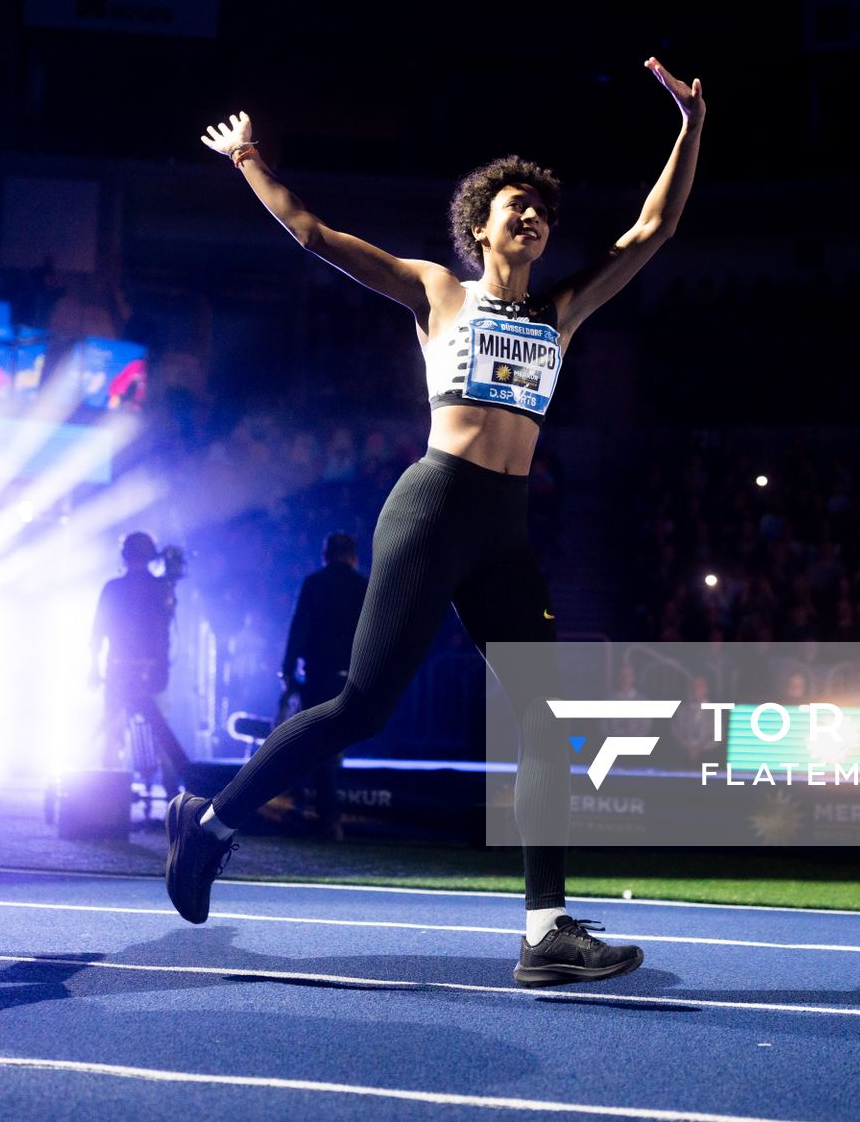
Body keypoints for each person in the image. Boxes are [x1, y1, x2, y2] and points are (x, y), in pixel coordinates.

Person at [172, 55, 705, 987]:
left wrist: (690, 127)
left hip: (504, 526)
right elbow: (313, 233)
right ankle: (209, 822)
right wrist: (251, 158)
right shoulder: (437, 292)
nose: (532, 215)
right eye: (513, 206)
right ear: (480, 226)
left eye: (541, 207)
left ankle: (545, 933)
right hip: (434, 505)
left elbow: (653, 229)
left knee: (545, 724)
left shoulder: (563, 310)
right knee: (363, 705)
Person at [278, 532, 368, 840]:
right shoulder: (363, 586)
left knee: (320, 744)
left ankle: (326, 818)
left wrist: (288, 671)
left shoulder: (314, 584)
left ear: (325, 555)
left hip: (319, 676)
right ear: (353, 556)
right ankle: (329, 818)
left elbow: (299, 626)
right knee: (335, 744)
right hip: (352, 676)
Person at [90, 532, 192, 797]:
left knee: (113, 733)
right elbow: (167, 626)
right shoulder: (161, 588)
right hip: (153, 673)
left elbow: (97, 632)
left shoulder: (112, 587)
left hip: (118, 670)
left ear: (124, 556)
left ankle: (108, 792)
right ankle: (172, 791)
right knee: (161, 732)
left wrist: (93, 667)